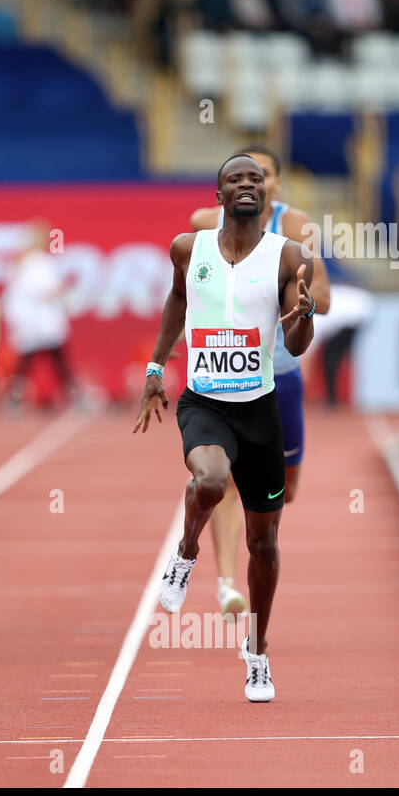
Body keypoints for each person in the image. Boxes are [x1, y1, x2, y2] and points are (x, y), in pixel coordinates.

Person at [135, 153, 317, 702]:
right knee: (211, 481)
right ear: (217, 197)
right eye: (233, 178)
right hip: (204, 403)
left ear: (267, 195)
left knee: (264, 544)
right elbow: (176, 298)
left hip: (261, 409)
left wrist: (302, 314)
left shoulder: (288, 256)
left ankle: (257, 653)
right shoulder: (188, 249)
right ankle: (187, 553)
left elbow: (297, 344)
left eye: (254, 179)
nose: (245, 184)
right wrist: (154, 367)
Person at [189, 143, 330, 614]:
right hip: (226, 381)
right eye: (244, 175)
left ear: (277, 183)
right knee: (225, 482)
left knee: (282, 491)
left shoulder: (294, 226)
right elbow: (186, 292)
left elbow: (323, 300)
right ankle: (228, 583)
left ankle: (260, 548)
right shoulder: (204, 226)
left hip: (280, 379)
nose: (255, 183)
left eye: (264, 175)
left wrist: (295, 294)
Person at [3, 223, 78, 409]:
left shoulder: (22, 262)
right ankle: (74, 396)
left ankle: (14, 398)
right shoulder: (38, 262)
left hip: (30, 322)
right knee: (56, 360)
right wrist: (66, 286)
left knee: (34, 361)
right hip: (40, 322)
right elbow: (46, 290)